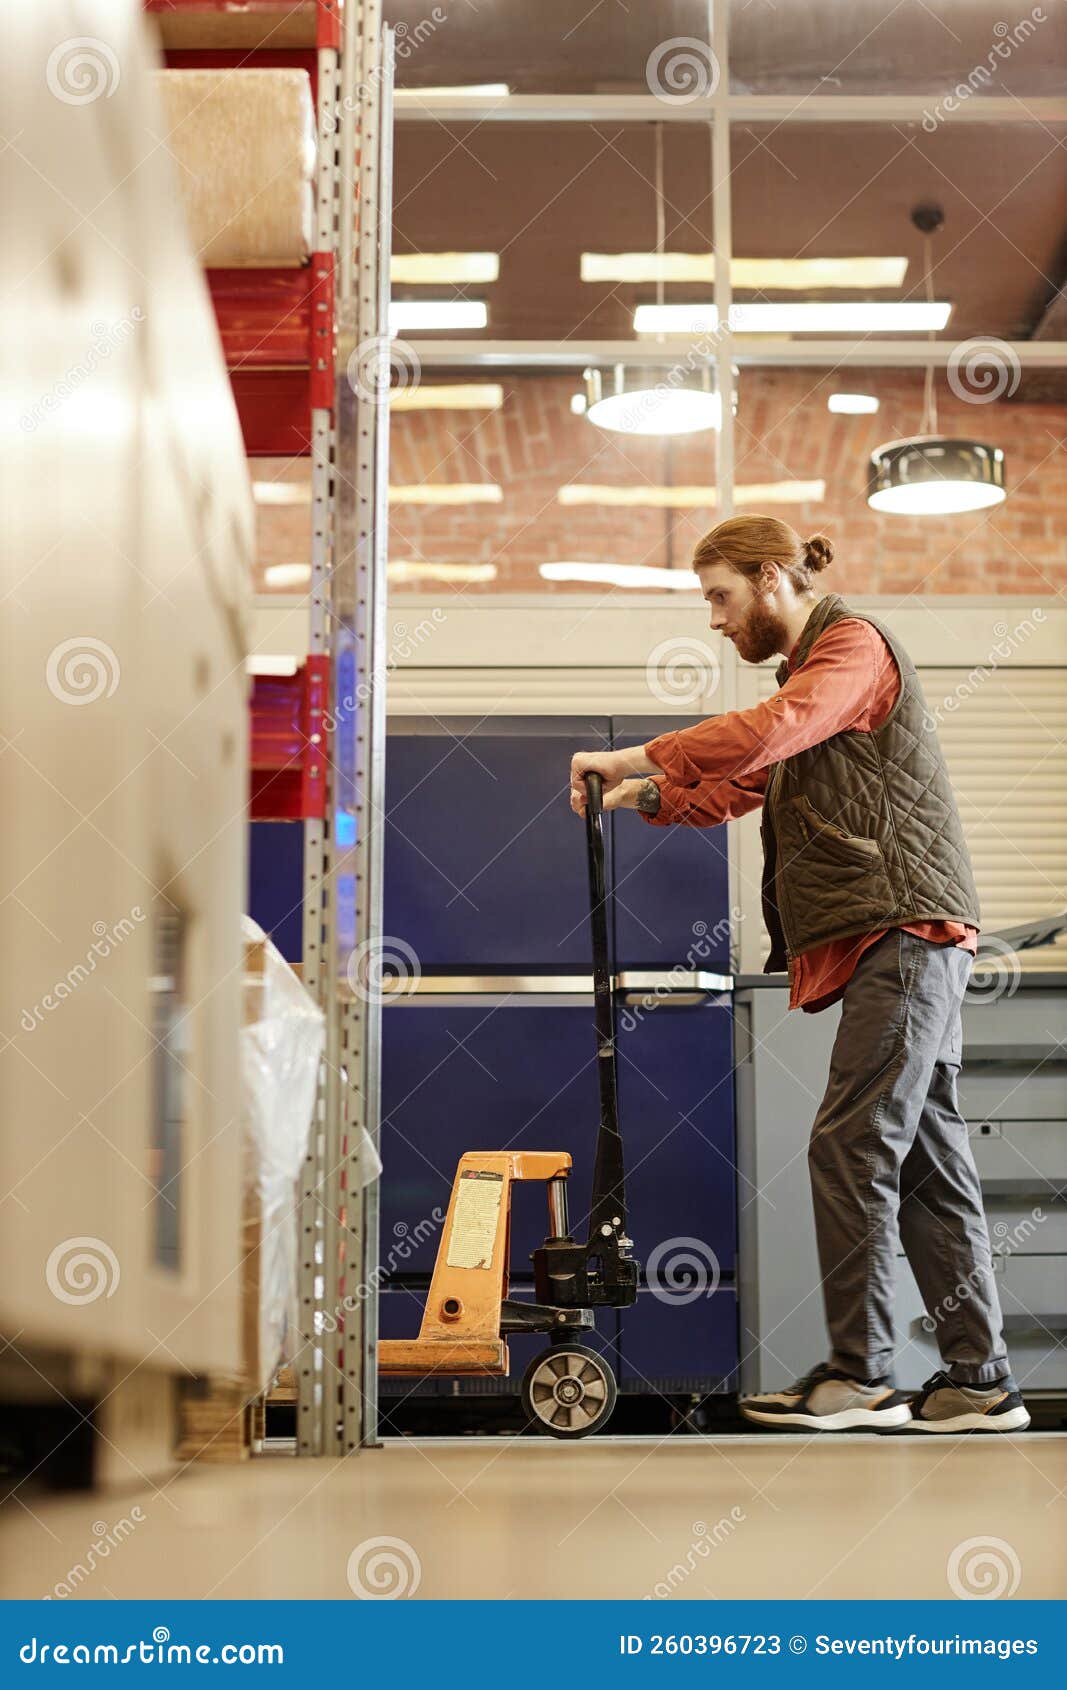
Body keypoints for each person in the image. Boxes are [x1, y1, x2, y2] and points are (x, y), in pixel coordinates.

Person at [569, 515, 1029, 1434]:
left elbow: (777, 729)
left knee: (849, 1143)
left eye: (719, 597)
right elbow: (752, 780)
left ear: (772, 578)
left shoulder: (850, 649)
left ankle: (859, 1375)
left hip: (905, 930)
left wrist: (641, 752)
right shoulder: (811, 675)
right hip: (894, 940)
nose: (713, 620)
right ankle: (976, 1380)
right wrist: (650, 795)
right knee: (927, 1160)